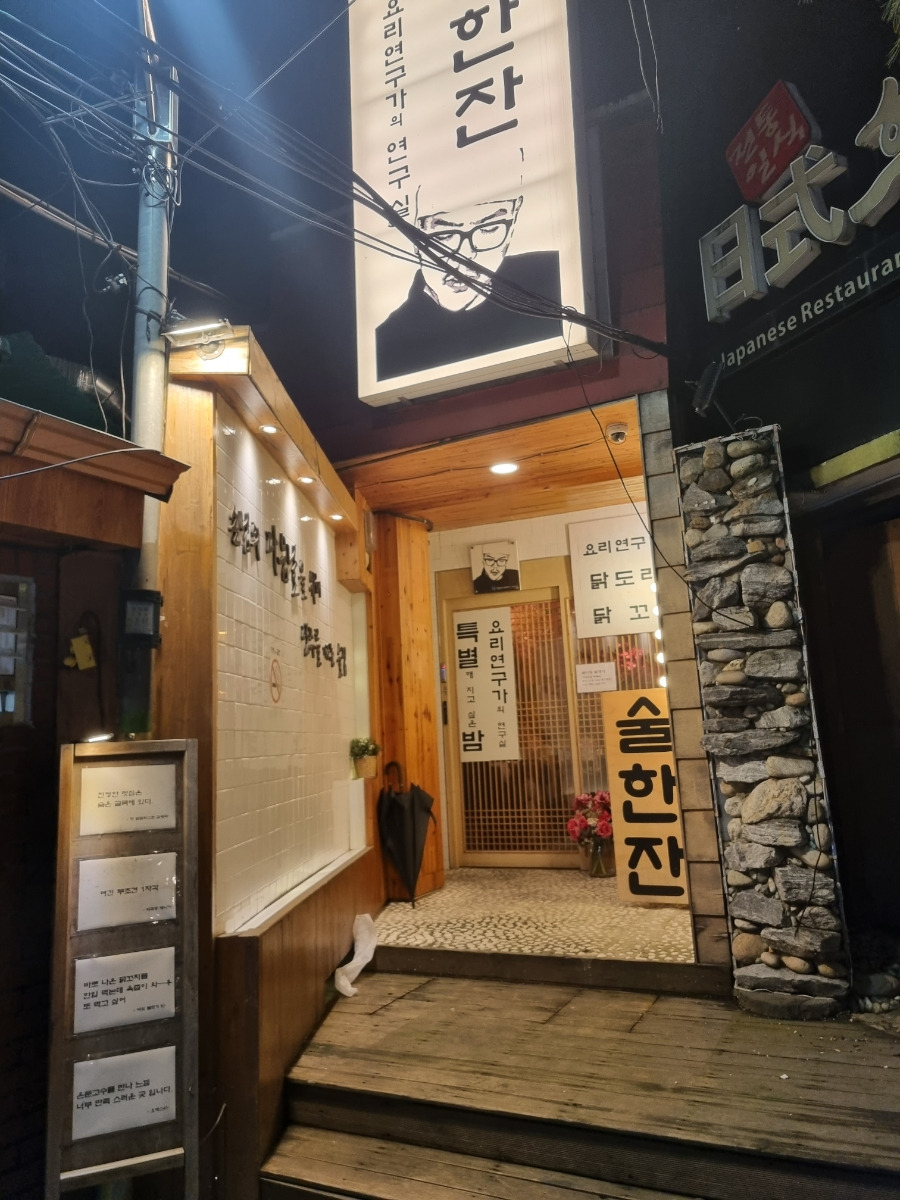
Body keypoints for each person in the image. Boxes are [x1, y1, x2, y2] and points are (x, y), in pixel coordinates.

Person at [375, 191, 561, 381]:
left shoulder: (554, 275)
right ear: (414, 238)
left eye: (489, 229)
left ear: (512, 224)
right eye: (445, 235)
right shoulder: (389, 344)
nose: (466, 255)